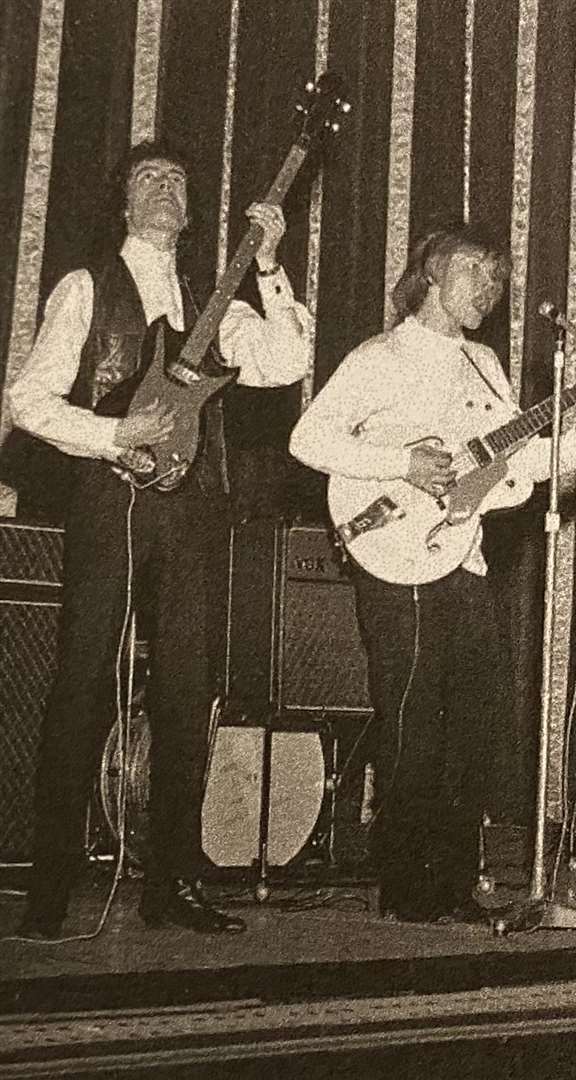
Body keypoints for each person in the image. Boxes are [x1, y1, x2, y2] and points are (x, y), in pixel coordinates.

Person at [7, 139, 313, 938]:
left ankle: (170, 883)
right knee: (82, 688)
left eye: (177, 178)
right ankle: (50, 885)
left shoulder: (218, 299)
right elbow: (29, 400)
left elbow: (284, 363)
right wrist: (113, 433)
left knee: (188, 697)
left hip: (197, 509)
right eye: (147, 177)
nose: (164, 187)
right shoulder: (86, 286)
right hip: (110, 501)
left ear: (192, 206)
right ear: (124, 202)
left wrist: (271, 265)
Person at [289, 221, 576, 923]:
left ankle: (453, 881)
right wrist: (401, 462)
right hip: (392, 552)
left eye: (497, 278)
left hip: (461, 555)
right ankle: (407, 886)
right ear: (430, 274)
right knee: (413, 720)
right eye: (474, 271)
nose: (489, 289)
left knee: (472, 723)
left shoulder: (486, 365)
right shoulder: (379, 356)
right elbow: (307, 437)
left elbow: (515, 465)